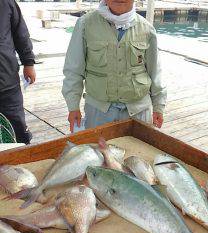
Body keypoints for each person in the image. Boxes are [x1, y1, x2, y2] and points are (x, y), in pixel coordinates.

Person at [62, 0, 167, 133]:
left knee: (138, 153)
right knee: (99, 153)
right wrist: (73, 106)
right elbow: (73, 70)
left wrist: (159, 106)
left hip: (139, 112)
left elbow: (155, 73)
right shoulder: (85, 24)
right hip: (99, 112)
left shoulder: (147, 29)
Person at [0, 0, 36, 144]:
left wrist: (28, 62)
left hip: (7, 82)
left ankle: (22, 153)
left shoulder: (6, 3)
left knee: (17, 126)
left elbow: (20, 34)